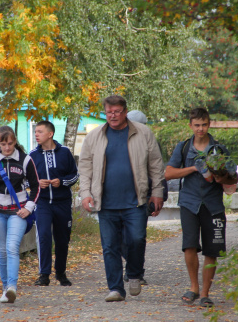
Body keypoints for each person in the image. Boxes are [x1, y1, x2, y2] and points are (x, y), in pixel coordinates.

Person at [78, 95, 165, 302]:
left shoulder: (143, 133)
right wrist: (85, 193)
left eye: (117, 111)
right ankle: (116, 288)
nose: (113, 116)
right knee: (110, 246)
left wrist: (157, 192)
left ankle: (134, 273)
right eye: (109, 112)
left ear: (125, 112)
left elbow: (155, 165)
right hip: (106, 202)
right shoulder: (94, 136)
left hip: (136, 201)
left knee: (136, 239)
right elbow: (85, 167)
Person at [164, 107, 238, 308]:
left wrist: (221, 176)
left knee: (211, 250)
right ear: (190, 125)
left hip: (213, 205)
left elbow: (233, 181)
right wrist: (194, 168)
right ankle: (194, 288)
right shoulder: (183, 147)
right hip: (189, 203)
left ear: (209, 124)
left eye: (204, 124)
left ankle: (205, 293)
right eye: (197, 125)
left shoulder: (219, 150)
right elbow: (168, 173)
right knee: (189, 246)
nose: (201, 129)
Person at [0, 126, 40, 304]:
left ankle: (12, 286)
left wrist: (29, 208)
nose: (7, 148)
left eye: (10, 144)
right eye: (3, 144)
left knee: (12, 247)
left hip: (18, 211)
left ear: (15, 142)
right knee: (3, 250)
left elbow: (36, 186)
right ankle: (5, 289)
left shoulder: (25, 160)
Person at [121, 110, 168, 286]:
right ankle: (133, 267)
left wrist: (159, 196)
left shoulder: (150, 141)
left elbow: (158, 170)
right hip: (119, 196)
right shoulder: (117, 140)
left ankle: (136, 272)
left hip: (142, 197)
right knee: (119, 238)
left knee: (137, 237)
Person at [29, 120, 79, 287]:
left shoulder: (65, 152)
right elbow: (24, 180)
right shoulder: (32, 155)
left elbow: (75, 175)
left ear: (50, 134)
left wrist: (62, 182)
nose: (36, 134)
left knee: (62, 239)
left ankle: (61, 273)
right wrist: (37, 183)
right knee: (44, 236)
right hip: (42, 203)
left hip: (62, 203)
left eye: (40, 132)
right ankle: (44, 275)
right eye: (35, 131)